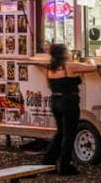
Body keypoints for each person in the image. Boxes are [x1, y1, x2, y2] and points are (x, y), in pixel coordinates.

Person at [41, 43, 97, 175]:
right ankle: (65, 166)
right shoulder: (69, 66)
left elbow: (49, 85)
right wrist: (91, 59)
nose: (70, 52)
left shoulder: (50, 68)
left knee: (60, 133)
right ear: (64, 53)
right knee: (69, 134)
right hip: (69, 102)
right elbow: (92, 68)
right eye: (68, 50)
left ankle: (47, 161)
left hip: (55, 101)